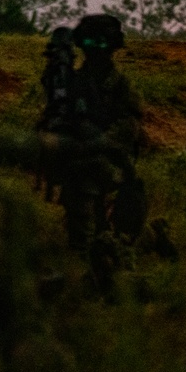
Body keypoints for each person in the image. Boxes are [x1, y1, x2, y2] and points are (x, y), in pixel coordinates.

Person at [39, 15, 145, 263]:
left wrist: (100, 142)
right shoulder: (72, 81)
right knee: (85, 222)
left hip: (109, 161)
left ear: (112, 47)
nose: (95, 50)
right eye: (89, 42)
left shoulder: (120, 85)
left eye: (101, 44)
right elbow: (57, 111)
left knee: (120, 234)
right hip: (80, 163)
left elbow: (129, 125)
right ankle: (84, 256)